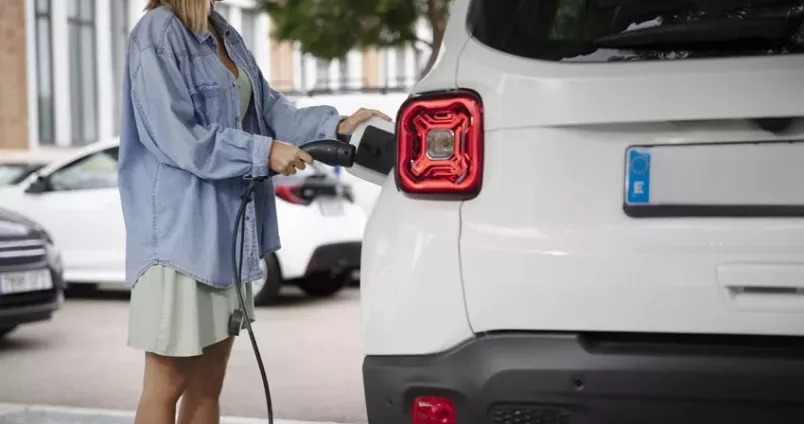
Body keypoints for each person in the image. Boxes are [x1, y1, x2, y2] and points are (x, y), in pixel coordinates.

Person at [118, 1, 391, 423]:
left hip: (229, 237)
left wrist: (335, 126)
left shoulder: (224, 33)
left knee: (209, 386)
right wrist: (263, 152)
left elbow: (270, 111)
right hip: (180, 244)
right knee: (167, 384)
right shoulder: (157, 33)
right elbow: (176, 136)